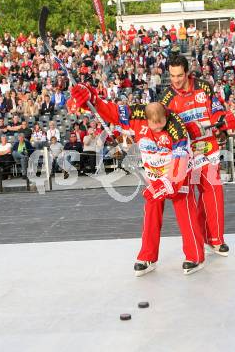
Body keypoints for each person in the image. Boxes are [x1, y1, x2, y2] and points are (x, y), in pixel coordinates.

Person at [71, 84, 205, 276]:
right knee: (150, 213)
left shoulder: (177, 128)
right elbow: (111, 112)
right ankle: (148, 256)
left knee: (186, 214)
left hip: (176, 176)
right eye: (155, 124)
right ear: (147, 120)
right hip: (153, 175)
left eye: (162, 124)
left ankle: (195, 256)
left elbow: (180, 160)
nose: (159, 128)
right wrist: (92, 99)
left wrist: (167, 184)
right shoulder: (136, 115)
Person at [160, 55, 235, 256]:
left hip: (208, 147)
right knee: (190, 199)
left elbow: (216, 110)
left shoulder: (204, 87)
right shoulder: (167, 98)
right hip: (185, 153)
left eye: (179, 75)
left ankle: (216, 239)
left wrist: (221, 121)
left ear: (187, 73)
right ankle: (198, 239)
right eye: (172, 76)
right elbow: (164, 128)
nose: (176, 80)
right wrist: (186, 131)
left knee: (213, 192)